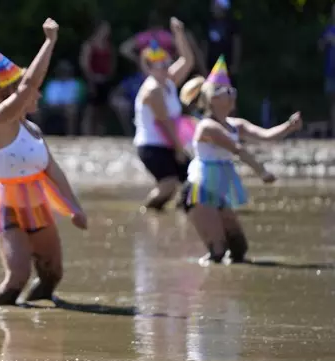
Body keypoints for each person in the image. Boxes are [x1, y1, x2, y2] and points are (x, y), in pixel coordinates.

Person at [0, 18, 88, 306]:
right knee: (17, 277)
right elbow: (30, 84)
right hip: (5, 204)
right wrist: (49, 42)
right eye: (34, 90)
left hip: (35, 201)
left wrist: (74, 208)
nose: (40, 93)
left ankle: (37, 327)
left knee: (52, 274)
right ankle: (2, 326)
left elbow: (52, 169)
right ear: (15, 93)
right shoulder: (0, 122)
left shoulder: (33, 129)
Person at [179, 55, 302, 265]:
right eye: (225, 92)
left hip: (218, 189)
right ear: (212, 99)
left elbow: (266, 135)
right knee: (217, 252)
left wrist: (288, 127)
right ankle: (208, 290)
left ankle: (223, 284)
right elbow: (237, 149)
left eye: (232, 92)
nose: (231, 96)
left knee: (238, 249)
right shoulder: (207, 127)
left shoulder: (236, 124)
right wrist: (262, 172)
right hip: (199, 190)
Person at [133, 17, 195, 212]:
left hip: (168, 142)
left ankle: (184, 213)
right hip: (152, 146)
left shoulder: (168, 81)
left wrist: (179, 34)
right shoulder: (152, 90)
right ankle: (145, 211)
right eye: (158, 64)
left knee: (193, 180)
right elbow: (165, 122)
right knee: (168, 186)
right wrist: (179, 149)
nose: (164, 66)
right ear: (148, 68)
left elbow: (187, 60)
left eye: (166, 62)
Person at [79, 20, 116, 136]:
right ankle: (87, 133)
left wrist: (109, 75)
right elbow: (84, 63)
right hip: (93, 80)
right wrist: (91, 78)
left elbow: (112, 62)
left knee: (102, 108)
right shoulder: (89, 45)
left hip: (105, 79)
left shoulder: (108, 46)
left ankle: (100, 133)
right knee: (91, 108)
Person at [320, 3, 335, 134]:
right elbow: (320, 47)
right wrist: (325, 41)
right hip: (330, 70)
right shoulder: (329, 29)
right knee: (331, 102)